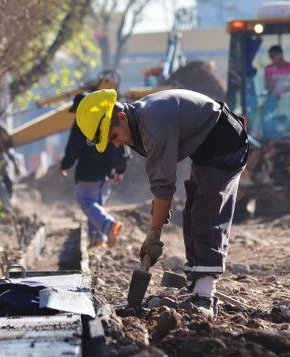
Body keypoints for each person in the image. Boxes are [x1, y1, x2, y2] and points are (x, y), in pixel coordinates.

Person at [75, 89, 249, 320]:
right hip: (205, 149)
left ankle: (206, 294)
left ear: (121, 117)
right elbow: (161, 186)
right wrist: (159, 210)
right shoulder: (137, 120)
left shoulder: (152, 126)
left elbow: (165, 186)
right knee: (192, 213)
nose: (116, 145)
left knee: (207, 213)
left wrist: (154, 233)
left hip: (226, 143)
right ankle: (198, 286)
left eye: (114, 136)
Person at [60, 93, 130, 248]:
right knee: (96, 205)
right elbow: (122, 145)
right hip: (107, 172)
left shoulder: (83, 120)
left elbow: (74, 145)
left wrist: (65, 164)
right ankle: (98, 240)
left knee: (86, 201)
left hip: (89, 170)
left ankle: (109, 226)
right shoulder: (107, 118)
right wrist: (120, 170)